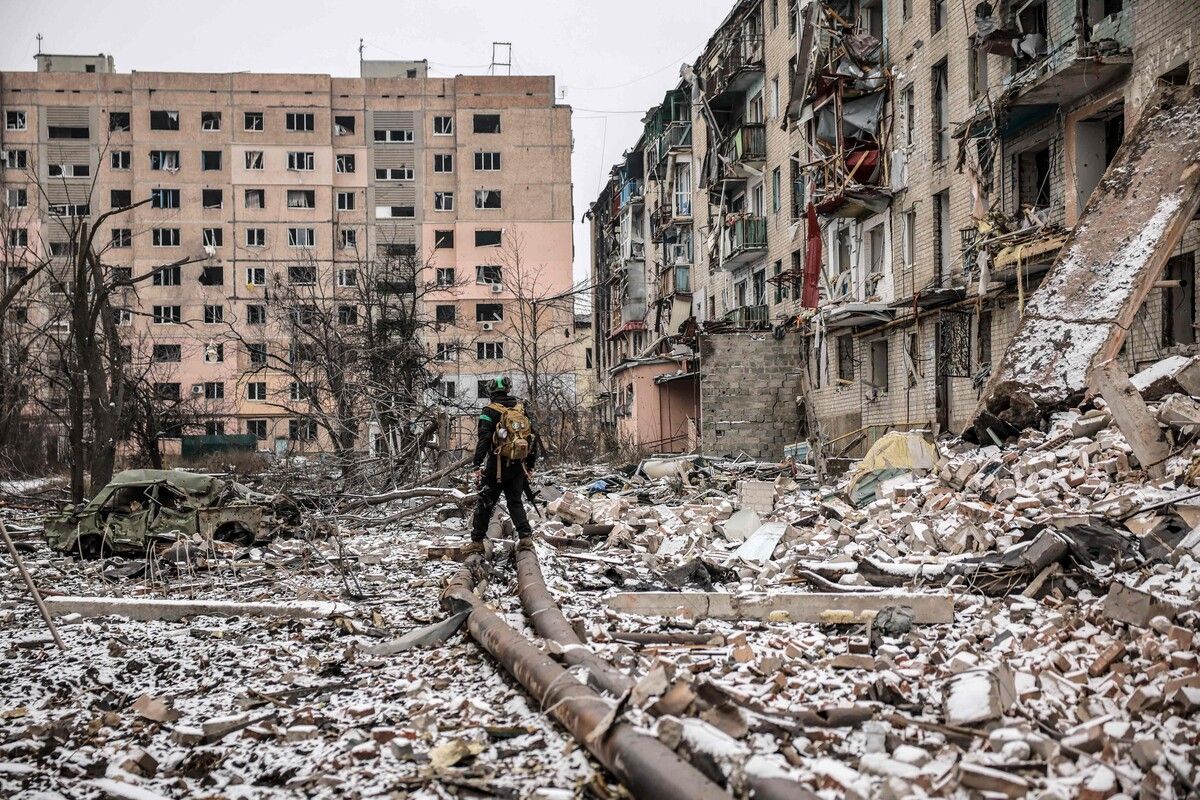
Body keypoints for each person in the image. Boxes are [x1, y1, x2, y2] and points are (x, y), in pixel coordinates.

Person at [464, 376, 538, 556]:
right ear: (507, 390)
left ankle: (477, 542)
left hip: (496, 467)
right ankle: (526, 538)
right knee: (515, 502)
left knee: (485, 502)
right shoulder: (520, 409)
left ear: (491, 392)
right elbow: (532, 438)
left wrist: (476, 463)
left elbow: (484, 439)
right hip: (517, 465)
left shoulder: (489, 411)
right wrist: (529, 464)